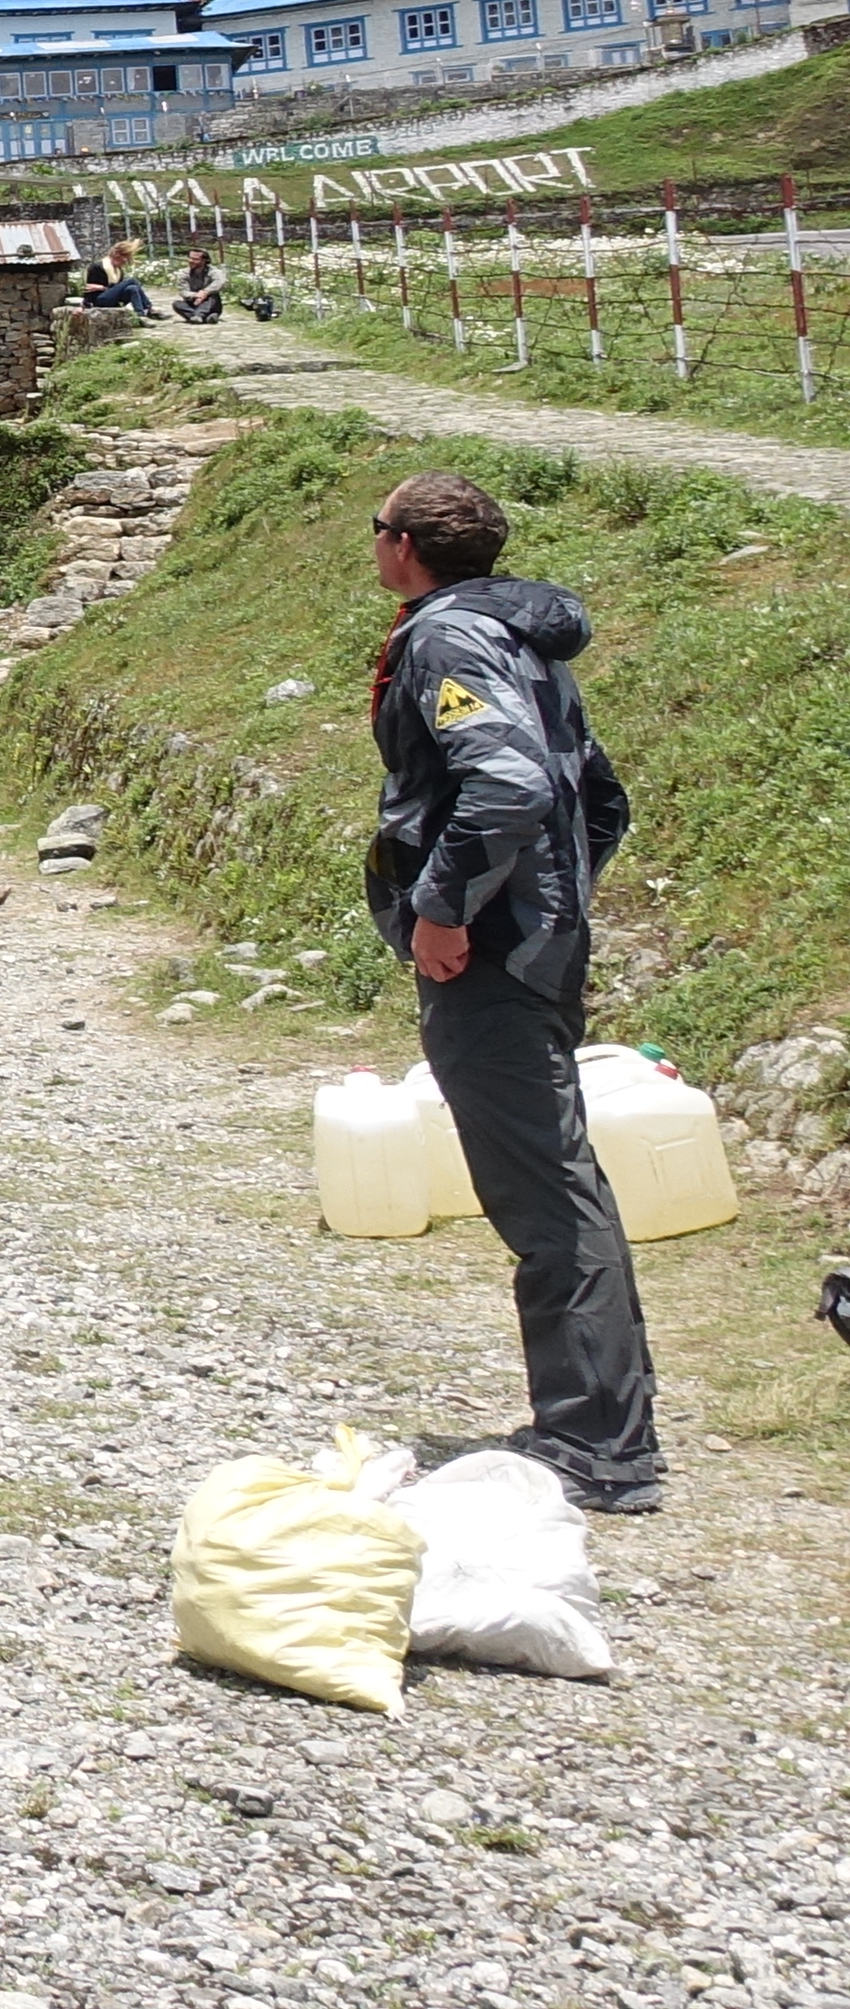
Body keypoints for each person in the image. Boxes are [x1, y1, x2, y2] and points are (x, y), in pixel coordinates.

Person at [365, 468, 660, 1513]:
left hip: (492, 956)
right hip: (534, 941)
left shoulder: (446, 640)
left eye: (379, 528)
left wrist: (452, 911)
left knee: (545, 1193)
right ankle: (595, 1427)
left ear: (404, 546)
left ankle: (598, 1446)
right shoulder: (520, 638)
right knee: (556, 1177)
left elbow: (515, 783)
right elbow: (603, 800)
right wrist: (558, 904)